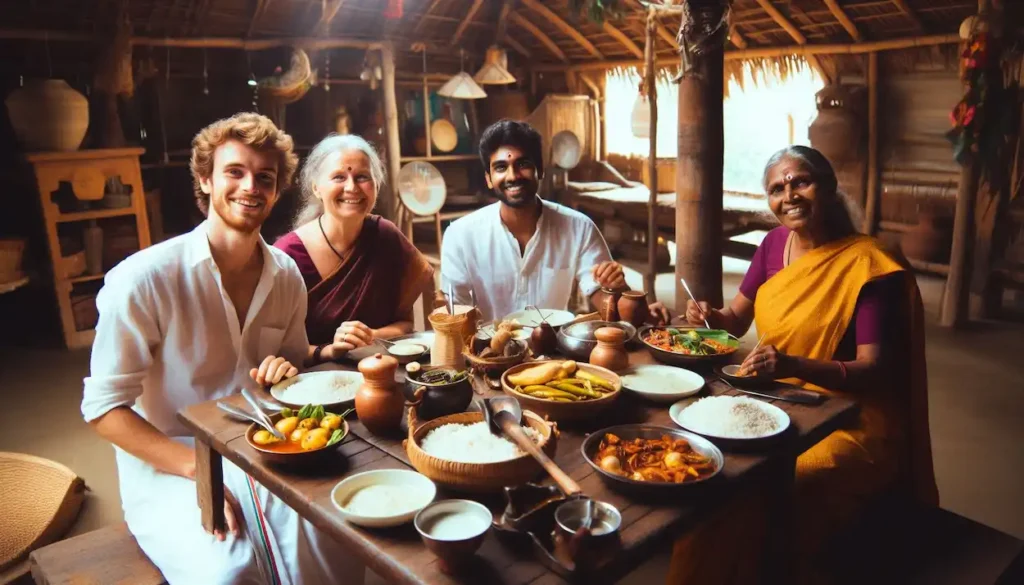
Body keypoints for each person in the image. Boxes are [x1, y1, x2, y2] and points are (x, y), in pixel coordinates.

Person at [81, 113, 365, 585]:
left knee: (335, 536)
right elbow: (103, 408)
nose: (250, 187)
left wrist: (284, 370)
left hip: (260, 445)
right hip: (170, 458)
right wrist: (198, 469)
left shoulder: (285, 276)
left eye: (265, 177)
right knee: (229, 570)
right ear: (205, 179)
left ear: (277, 192)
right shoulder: (144, 279)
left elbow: (292, 369)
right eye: (235, 171)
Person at [668, 145, 938, 584]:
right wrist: (710, 318)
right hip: (772, 396)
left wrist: (793, 363)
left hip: (851, 414)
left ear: (829, 188)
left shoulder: (867, 265)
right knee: (713, 467)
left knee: (798, 475)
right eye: (777, 188)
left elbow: (874, 369)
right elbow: (734, 323)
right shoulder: (773, 246)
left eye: (801, 181)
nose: (789, 195)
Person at [440, 119, 669, 323]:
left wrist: (617, 290)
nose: (512, 176)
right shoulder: (460, 235)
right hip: (487, 357)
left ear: (540, 170)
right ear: (489, 179)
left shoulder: (578, 228)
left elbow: (610, 309)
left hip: (554, 358)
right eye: (501, 167)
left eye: (523, 164)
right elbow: (453, 314)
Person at [274, 134, 432, 364]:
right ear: (317, 188)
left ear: (376, 186)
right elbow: (278, 350)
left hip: (382, 371)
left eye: (362, 177)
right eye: (339, 177)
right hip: (312, 384)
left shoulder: (386, 237)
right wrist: (330, 349)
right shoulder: (288, 255)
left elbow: (405, 324)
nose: (351, 187)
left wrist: (370, 336)